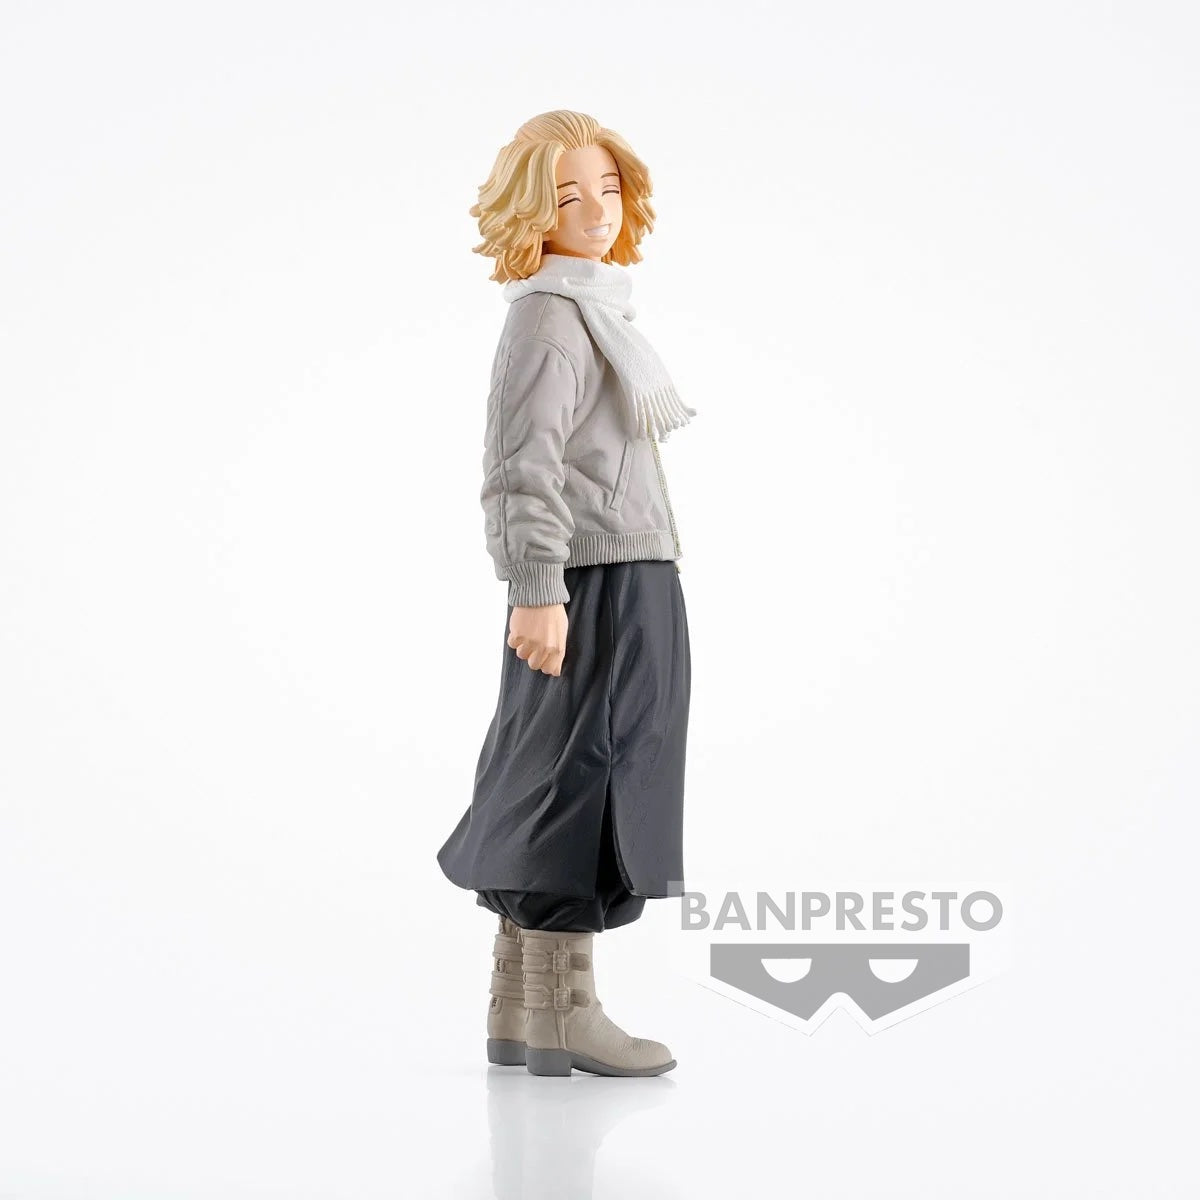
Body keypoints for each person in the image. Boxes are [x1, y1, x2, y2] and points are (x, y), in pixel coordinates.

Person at [436, 109, 696, 1078]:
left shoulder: (591, 311)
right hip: (599, 578)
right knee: (586, 778)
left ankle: (522, 1008)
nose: (595, 211)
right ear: (529, 209)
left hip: (610, 570)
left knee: (562, 767)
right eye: (566, 195)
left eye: (609, 189)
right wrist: (537, 588)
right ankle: (565, 1010)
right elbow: (520, 464)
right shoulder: (552, 315)